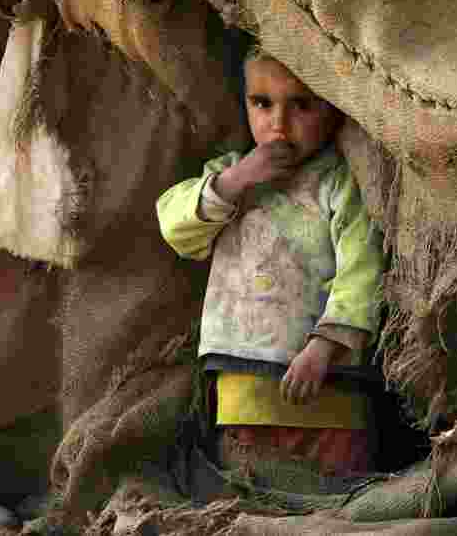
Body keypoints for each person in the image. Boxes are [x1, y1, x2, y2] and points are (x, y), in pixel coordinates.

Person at [156, 39, 384, 479]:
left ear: (333, 108)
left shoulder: (340, 185)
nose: (278, 124)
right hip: (245, 392)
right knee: (252, 497)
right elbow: (174, 227)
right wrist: (236, 180)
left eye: (301, 105)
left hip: (328, 392)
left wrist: (325, 347)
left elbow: (363, 270)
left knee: (329, 503)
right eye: (262, 103)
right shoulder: (231, 175)